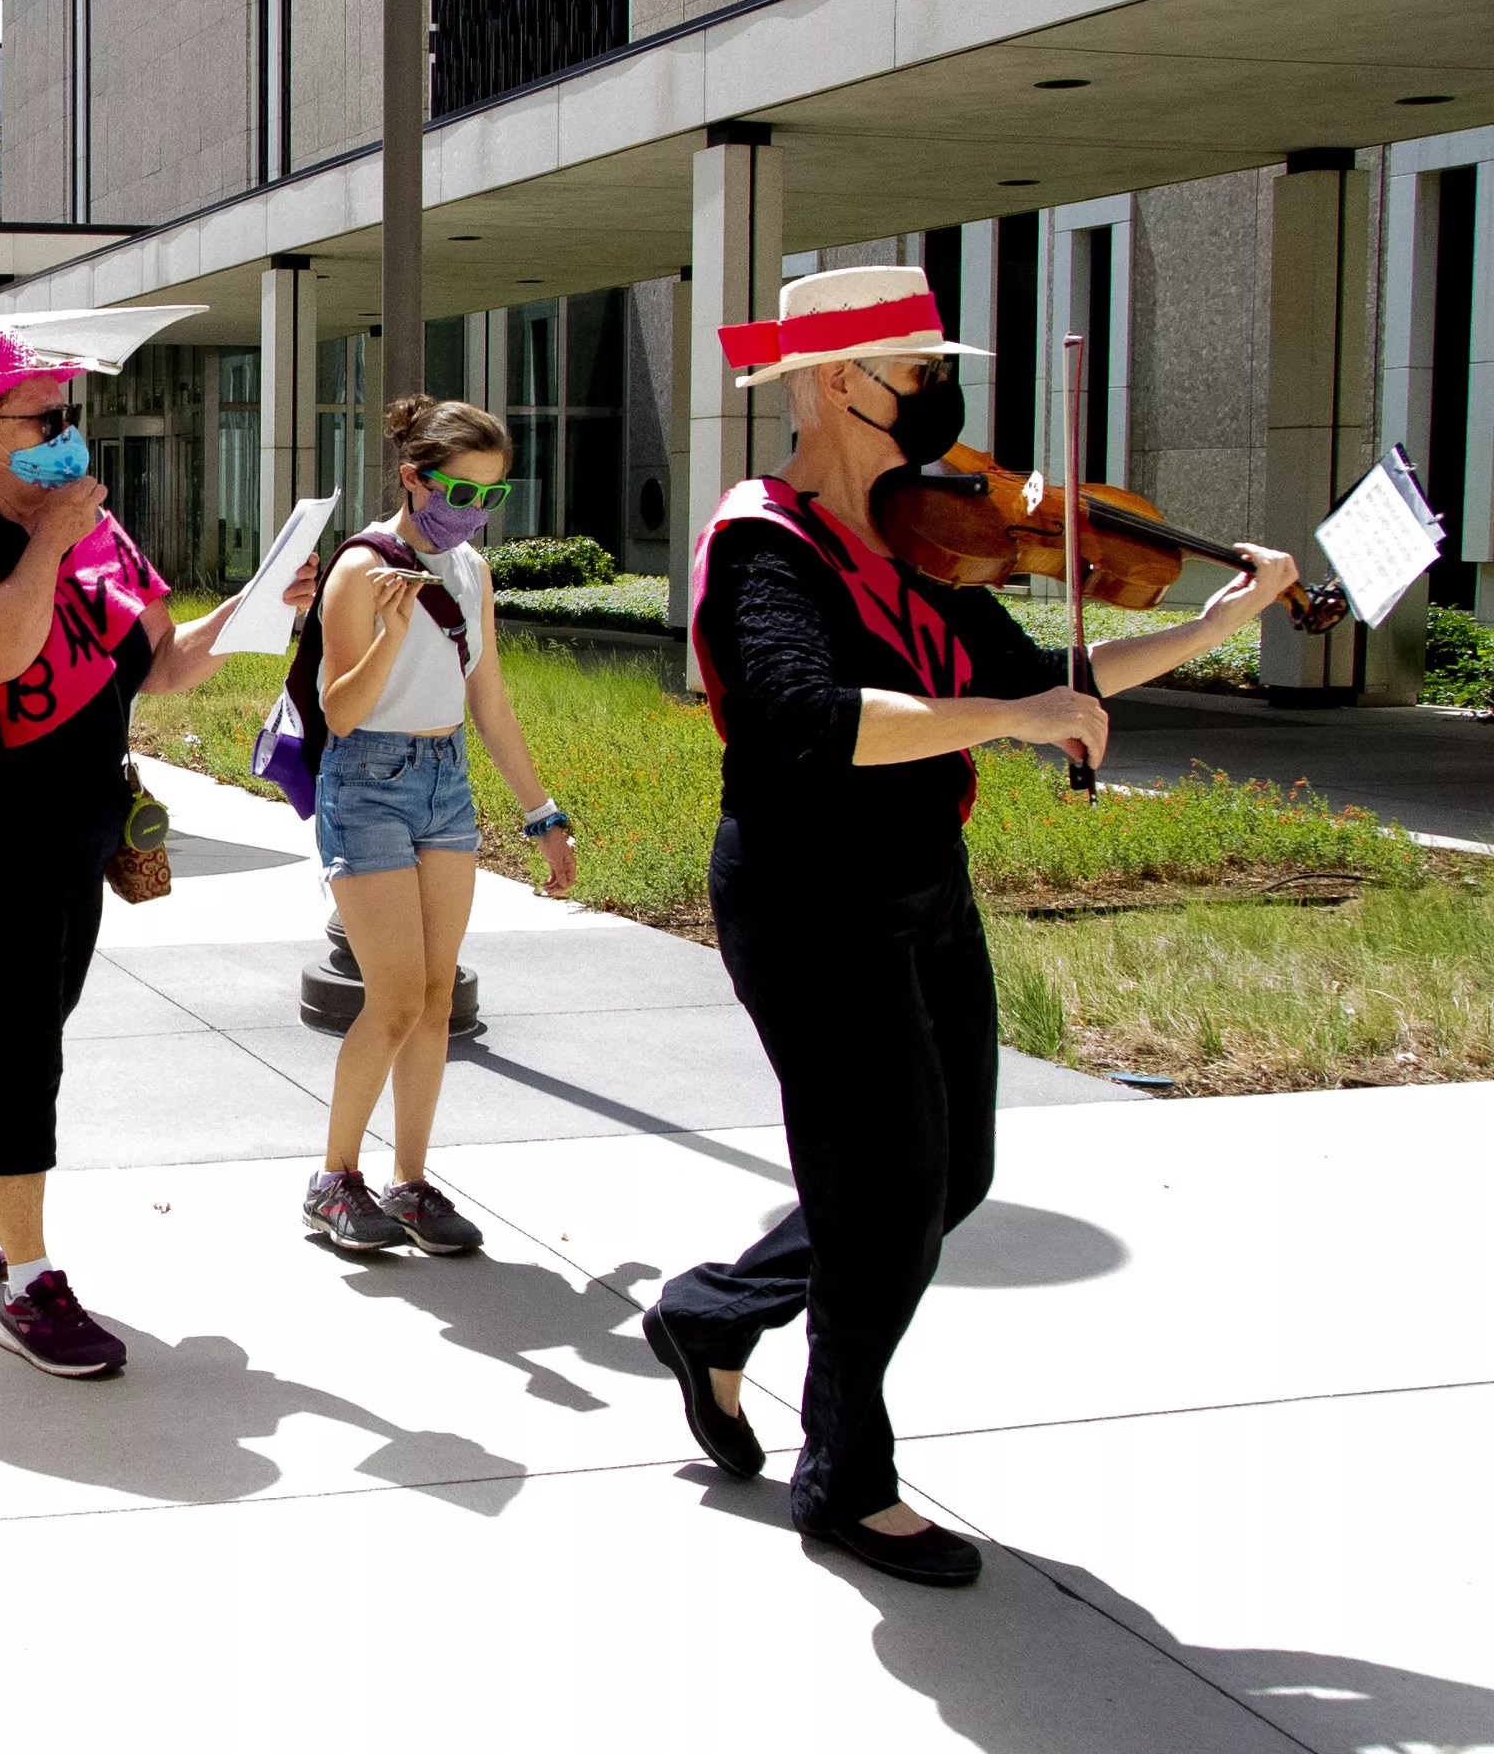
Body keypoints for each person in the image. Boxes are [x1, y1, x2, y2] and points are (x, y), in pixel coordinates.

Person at [641, 265, 1302, 1586]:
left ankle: (713, 1312)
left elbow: (1049, 679)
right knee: (888, 1199)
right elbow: (809, 716)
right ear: (839, 384)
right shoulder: (763, 543)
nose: (940, 397)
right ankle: (846, 1476)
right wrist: (1009, 720)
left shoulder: (924, 537)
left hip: (920, 881)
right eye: (920, 372)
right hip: (808, 894)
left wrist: (1211, 625)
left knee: (951, 1178)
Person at [0, 327, 310, 1377]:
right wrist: (52, 542)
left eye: (70, 416)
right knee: (16, 1053)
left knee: (8, 1032)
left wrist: (257, 606)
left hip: (69, 832)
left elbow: (164, 664)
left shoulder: (87, 527)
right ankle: (31, 1283)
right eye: (45, 418)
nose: (67, 435)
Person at [298, 397, 577, 1255]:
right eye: (462, 492)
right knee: (391, 1001)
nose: (475, 511)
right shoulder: (359, 568)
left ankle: (411, 1183)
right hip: (367, 783)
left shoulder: (469, 570)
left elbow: (489, 702)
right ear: (414, 479)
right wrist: (389, 631)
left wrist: (542, 814)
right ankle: (333, 1180)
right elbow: (340, 712)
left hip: (444, 782)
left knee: (433, 999)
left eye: (492, 496)